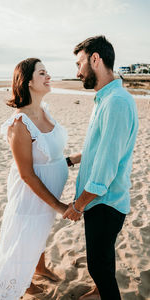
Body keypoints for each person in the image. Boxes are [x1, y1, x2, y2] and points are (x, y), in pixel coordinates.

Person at [63, 36, 138, 300]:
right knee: (103, 260)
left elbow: (105, 171)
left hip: (105, 203)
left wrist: (78, 206)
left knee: (99, 266)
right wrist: (73, 159)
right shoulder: (105, 98)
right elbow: (102, 147)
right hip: (100, 202)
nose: (77, 71)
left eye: (80, 63)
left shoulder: (116, 102)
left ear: (96, 59)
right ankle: (98, 290)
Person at [0, 58, 69, 300]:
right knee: (24, 236)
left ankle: (40, 268)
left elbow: (51, 155)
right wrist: (58, 205)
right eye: (42, 73)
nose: (48, 77)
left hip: (49, 191)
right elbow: (26, 173)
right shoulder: (19, 124)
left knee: (40, 231)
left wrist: (75, 159)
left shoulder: (45, 110)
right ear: (28, 82)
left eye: (47, 72)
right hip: (29, 193)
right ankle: (21, 286)